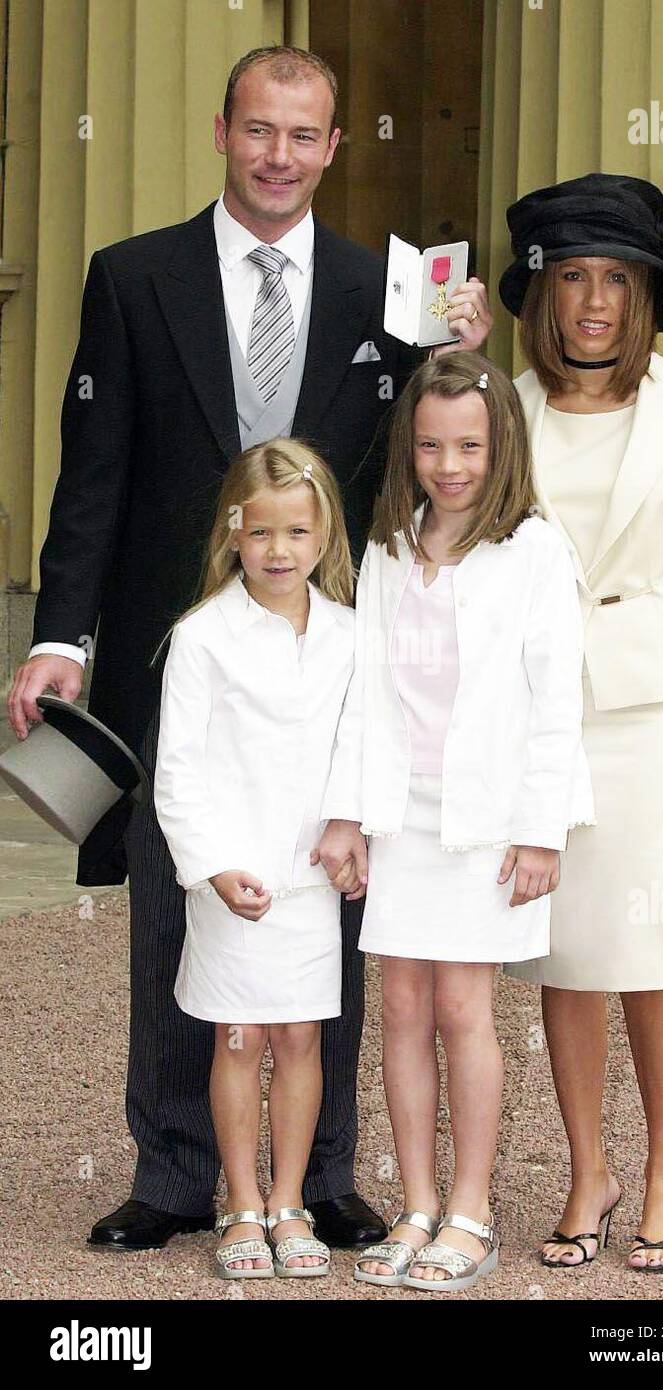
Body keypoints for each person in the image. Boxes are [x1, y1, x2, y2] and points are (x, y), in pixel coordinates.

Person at [5, 43, 492, 1253]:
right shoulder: (133, 278)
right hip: (184, 659)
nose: (280, 153)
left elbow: (443, 445)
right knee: (187, 890)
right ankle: (174, 1171)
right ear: (224, 131)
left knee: (324, 895)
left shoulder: (396, 287)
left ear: (335, 146)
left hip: (338, 655)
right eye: (260, 128)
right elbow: (95, 477)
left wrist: (461, 350)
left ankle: (320, 1174)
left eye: (304, 134)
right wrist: (61, 636)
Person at [498, 172, 663, 1271]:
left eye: (616, 279)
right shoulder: (499, 407)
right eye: (573, 279)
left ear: (647, 293)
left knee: (655, 951)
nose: (595, 301)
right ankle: (584, 1167)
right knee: (565, 955)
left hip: (661, 715)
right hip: (540, 719)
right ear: (543, 293)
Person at [316, 351, 595, 1290]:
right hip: (403, 817)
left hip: (488, 821)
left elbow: (557, 700)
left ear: (499, 445)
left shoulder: (535, 551)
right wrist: (350, 815)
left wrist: (542, 827)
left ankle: (471, 1211)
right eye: (432, 446)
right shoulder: (392, 547)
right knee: (399, 1008)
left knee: (464, 1008)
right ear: (411, 449)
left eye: (469, 445)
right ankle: (419, 1204)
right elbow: (365, 696)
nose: (450, 465)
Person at [154, 439, 358, 1279]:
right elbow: (179, 771)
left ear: (324, 537)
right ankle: (240, 1203)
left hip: (309, 877)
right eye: (262, 533)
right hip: (232, 878)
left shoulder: (350, 635)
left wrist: (351, 826)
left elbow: (361, 741)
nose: (280, 552)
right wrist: (210, 864)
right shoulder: (201, 638)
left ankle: (290, 1203)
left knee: (302, 1037)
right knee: (238, 1039)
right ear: (233, 534)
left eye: (298, 533)